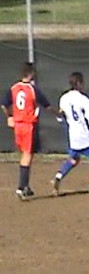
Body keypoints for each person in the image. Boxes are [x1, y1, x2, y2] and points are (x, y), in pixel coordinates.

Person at [0, 62, 54, 200]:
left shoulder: (14, 88)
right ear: (31, 73)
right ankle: (21, 187)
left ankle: (26, 186)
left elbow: (4, 105)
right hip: (28, 125)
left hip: (18, 125)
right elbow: (47, 106)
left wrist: (10, 116)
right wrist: (58, 113)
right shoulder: (32, 89)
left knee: (25, 154)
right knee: (27, 155)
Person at [51, 72, 89, 195]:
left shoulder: (64, 98)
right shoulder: (83, 99)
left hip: (72, 135)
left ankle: (58, 176)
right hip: (84, 134)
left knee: (74, 159)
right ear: (80, 83)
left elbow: (61, 116)